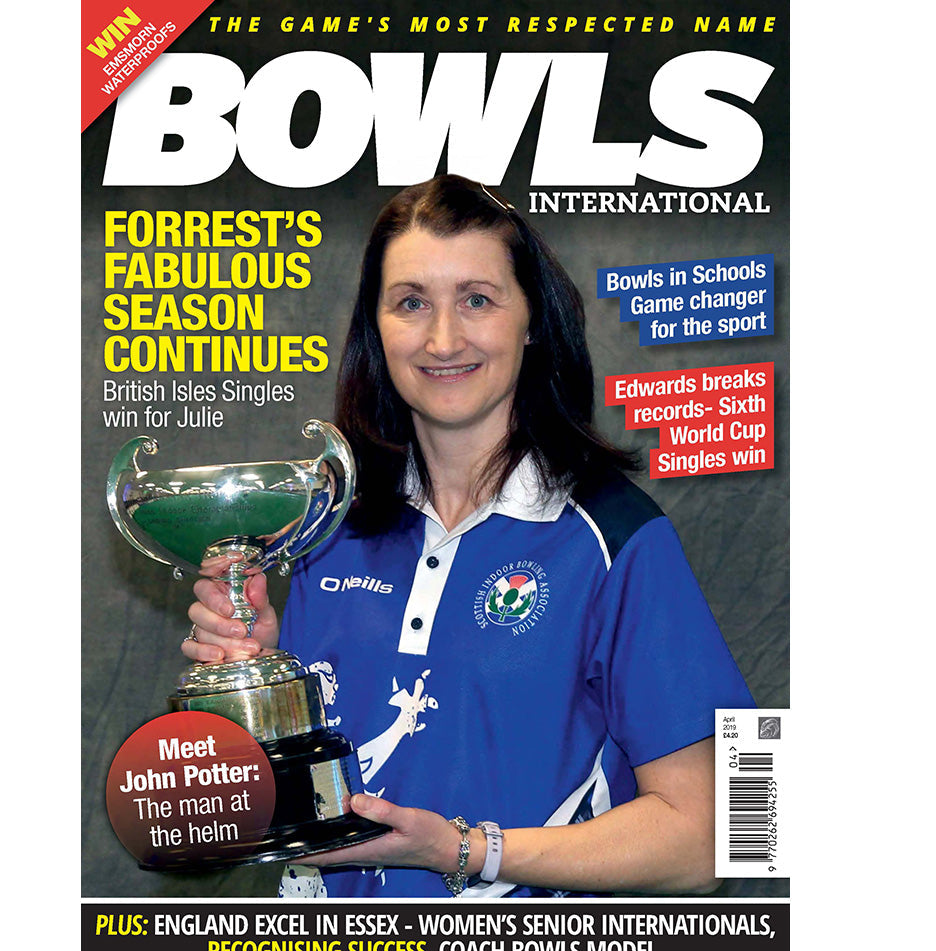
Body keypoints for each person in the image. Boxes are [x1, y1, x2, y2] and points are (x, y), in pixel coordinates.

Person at [183, 174, 755, 898]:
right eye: (411, 302)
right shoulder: (326, 527)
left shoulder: (619, 536)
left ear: (532, 321)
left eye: (477, 300)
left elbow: (723, 838)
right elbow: (301, 803)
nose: (443, 339)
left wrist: (463, 851)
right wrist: (263, 678)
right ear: (375, 326)